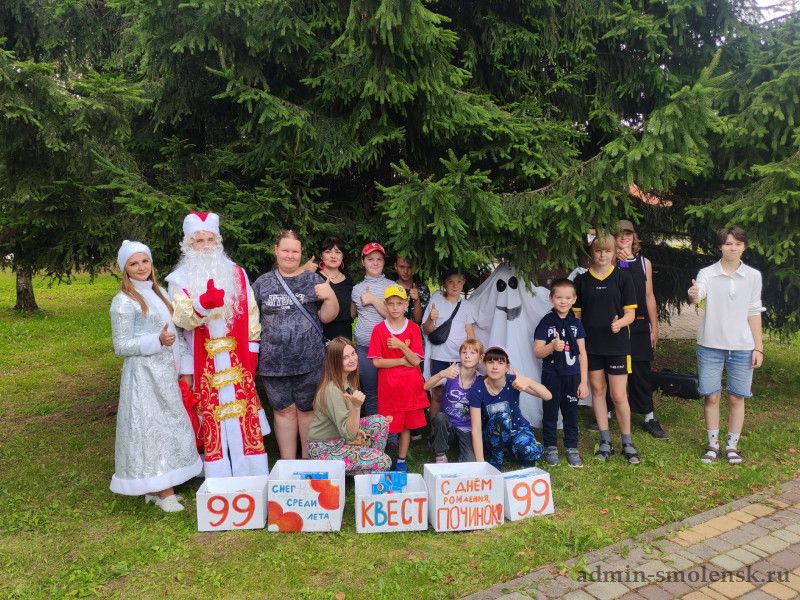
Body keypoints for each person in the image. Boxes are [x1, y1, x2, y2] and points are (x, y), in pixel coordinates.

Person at [166, 212, 269, 478]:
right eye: (199, 240)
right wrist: (201, 305)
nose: (206, 246)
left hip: (238, 360)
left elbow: (252, 314)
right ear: (189, 244)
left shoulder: (237, 273)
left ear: (218, 241)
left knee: (242, 415)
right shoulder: (178, 279)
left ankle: (252, 474)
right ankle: (218, 476)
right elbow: (180, 318)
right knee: (213, 416)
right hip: (203, 362)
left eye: (210, 239)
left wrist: (252, 352)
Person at [110, 241, 202, 512]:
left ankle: (154, 488)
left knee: (171, 425)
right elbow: (121, 345)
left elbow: (177, 335)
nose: (141, 267)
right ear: (125, 268)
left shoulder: (159, 292)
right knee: (153, 430)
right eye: (133, 263)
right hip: (144, 376)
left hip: (167, 374)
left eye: (145, 261)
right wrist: (156, 341)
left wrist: (186, 370)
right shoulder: (123, 301)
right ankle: (164, 492)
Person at [252, 230, 339, 460]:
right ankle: (288, 465)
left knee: (308, 411)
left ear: (301, 253)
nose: (289, 255)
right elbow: (251, 321)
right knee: (283, 412)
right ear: (276, 250)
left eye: (294, 251)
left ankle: (307, 464)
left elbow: (327, 317)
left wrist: (330, 297)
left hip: (310, 362)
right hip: (273, 364)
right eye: (285, 250)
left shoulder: (314, 280)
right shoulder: (262, 283)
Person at [689, 227, 764, 465]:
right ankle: (713, 445)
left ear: (744, 247)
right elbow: (698, 294)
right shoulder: (707, 273)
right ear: (720, 246)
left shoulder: (753, 276)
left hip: (742, 347)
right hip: (710, 345)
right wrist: (694, 294)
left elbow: (754, 311)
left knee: (736, 398)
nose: (733, 248)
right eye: (728, 244)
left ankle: (732, 446)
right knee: (711, 397)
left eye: (738, 244)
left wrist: (758, 347)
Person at [574, 233, 641, 464]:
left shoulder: (623, 277)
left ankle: (627, 442)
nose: (603, 255)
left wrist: (619, 323)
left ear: (614, 253)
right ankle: (605, 441)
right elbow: (577, 317)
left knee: (618, 394)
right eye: (598, 250)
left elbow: (631, 314)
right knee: (597, 390)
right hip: (591, 346)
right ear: (592, 252)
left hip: (617, 345)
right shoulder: (582, 280)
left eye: (607, 251)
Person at [368, 285, 430, 472]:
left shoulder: (413, 328)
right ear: (385, 305)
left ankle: (401, 461)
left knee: (405, 427)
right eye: (391, 304)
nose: (395, 308)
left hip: (409, 387)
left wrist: (401, 346)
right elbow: (377, 362)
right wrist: (402, 360)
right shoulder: (379, 329)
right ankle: (379, 459)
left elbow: (416, 360)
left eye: (399, 303)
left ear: (406, 304)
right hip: (389, 386)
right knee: (386, 425)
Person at [307, 337, 392, 474]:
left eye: (353, 353)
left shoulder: (346, 379)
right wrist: (357, 407)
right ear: (335, 362)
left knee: (380, 422)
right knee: (384, 461)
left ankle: (368, 464)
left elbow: (348, 424)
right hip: (325, 450)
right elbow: (349, 434)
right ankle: (371, 466)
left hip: (340, 438)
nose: (352, 359)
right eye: (345, 357)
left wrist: (357, 429)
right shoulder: (332, 390)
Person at [534, 278, 589, 468]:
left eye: (567, 298)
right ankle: (550, 447)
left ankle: (572, 447)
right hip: (552, 375)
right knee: (550, 412)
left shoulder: (576, 324)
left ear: (574, 300)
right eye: (559, 297)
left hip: (572, 376)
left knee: (570, 413)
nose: (563, 301)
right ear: (551, 298)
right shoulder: (546, 323)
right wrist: (552, 347)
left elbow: (582, 354)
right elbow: (537, 351)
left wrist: (583, 382)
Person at [469, 345, 551, 470]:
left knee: (527, 451)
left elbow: (548, 396)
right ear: (484, 365)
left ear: (507, 367)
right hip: (494, 436)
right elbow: (475, 428)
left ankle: (527, 447)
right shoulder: (478, 389)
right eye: (490, 362)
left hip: (517, 430)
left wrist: (529, 381)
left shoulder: (514, 381)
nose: (495, 367)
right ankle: (497, 458)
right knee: (502, 417)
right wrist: (480, 463)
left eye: (500, 363)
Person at [422, 268, 476, 419]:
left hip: (459, 358)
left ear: (463, 282)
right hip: (439, 356)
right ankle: (435, 430)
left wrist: (474, 355)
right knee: (438, 394)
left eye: (458, 281)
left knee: (459, 393)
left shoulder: (466, 305)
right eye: (450, 282)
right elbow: (427, 330)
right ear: (444, 283)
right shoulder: (436, 301)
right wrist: (431, 318)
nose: (455, 285)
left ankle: (457, 426)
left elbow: (469, 332)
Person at [350, 243, 395, 417]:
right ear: (363, 262)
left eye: (379, 259)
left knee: (390, 391)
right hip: (365, 348)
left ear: (384, 262)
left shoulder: (392, 287)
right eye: (370, 259)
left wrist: (372, 300)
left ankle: (391, 432)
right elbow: (352, 314)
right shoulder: (357, 289)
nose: (375, 263)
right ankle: (374, 429)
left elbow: (393, 316)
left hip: (388, 348)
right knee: (370, 393)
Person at [424, 339, 483, 463]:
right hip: (448, 428)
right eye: (464, 352)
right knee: (440, 417)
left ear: (480, 358)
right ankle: (440, 454)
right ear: (460, 355)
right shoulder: (452, 373)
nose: (467, 356)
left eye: (472, 353)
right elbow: (426, 386)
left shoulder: (480, 380)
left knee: (469, 462)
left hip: (467, 429)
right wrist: (441, 374)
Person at [312, 235, 355, 341]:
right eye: (328, 252)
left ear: (342, 256)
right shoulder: (314, 279)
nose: (333, 256)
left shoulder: (349, 282)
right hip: (320, 338)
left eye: (337, 252)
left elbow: (351, 314)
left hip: (345, 338)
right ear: (321, 256)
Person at [394, 253, 431, 325]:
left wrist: (417, 300)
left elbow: (419, 320)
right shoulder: (390, 287)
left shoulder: (422, 289)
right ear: (396, 266)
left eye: (410, 267)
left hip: (414, 331)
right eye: (402, 267)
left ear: (416, 267)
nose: (405, 271)